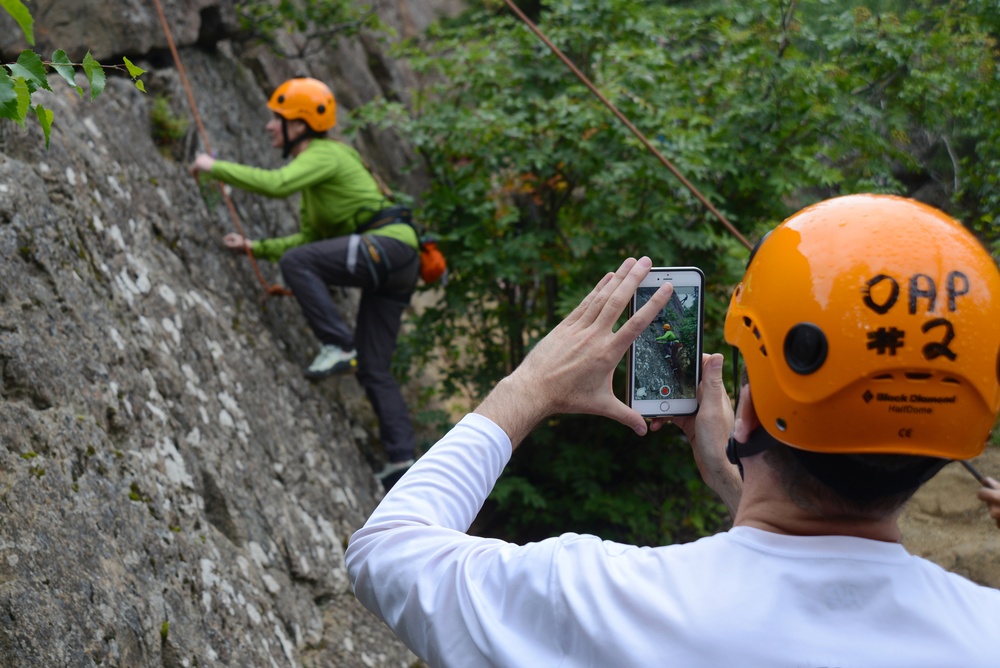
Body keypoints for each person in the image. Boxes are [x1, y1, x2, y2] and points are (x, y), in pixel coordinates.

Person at [345, 194, 1000, 666]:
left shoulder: (608, 601)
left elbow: (386, 551)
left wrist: (530, 388)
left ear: (745, 411)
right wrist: (734, 482)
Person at [189, 76, 419, 489]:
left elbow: (276, 187)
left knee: (301, 267)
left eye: (276, 119)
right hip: (399, 259)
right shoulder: (317, 189)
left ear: (299, 125)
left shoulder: (326, 153)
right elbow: (309, 241)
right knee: (373, 367)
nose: (269, 127)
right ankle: (404, 463)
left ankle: (338, 343)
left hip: (386, 247)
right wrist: (256, 247)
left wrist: (212, 166)